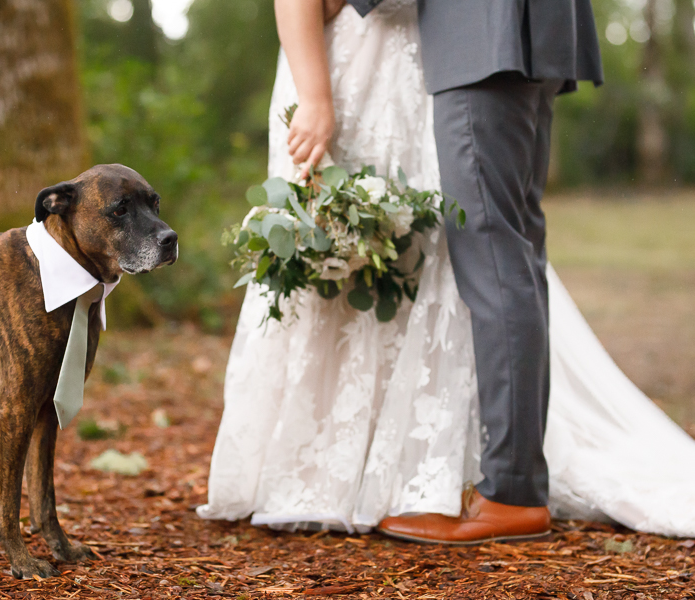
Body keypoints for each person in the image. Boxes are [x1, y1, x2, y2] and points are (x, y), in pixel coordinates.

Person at [197, 0, 695, 540]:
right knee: (516, 249)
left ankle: (512, 491)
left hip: (484, 33)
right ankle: (511, 480)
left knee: (496, 255)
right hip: (524, 33)